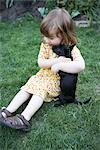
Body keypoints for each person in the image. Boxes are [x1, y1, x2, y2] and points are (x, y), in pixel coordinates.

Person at [0, 8, 85, 132]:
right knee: (26, 88)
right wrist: (56, 61)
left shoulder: (71, 48)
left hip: (56, 81)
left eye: (50, 37)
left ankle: (24, 119)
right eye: (44, 36)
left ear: (64, 35)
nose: (46, 39)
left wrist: (61, 66)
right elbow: (41, 62)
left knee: (39, 92)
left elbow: (80, 65)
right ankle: (7, 111)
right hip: (42, 76)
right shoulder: (46, 45)